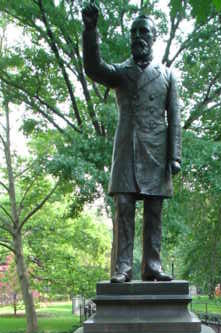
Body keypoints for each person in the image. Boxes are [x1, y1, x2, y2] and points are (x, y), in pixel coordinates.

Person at [82, 4, 181, 283]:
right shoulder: (121, 72)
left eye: (144, 31)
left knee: (154, 210)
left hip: (156, 153)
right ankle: (122, 267)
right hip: (127, 150)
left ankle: (152, 266)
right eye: (134, 31)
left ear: (153, 37)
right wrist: (90, 32)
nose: (138, 36)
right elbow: (93, 68)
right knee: (124, 206)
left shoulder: (167, 75)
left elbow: (174, 117)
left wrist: (175, 156)